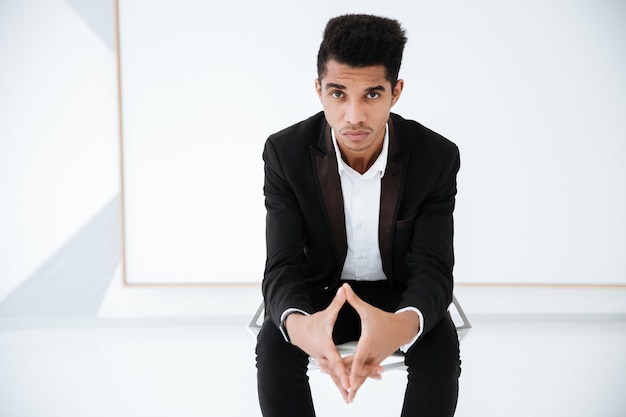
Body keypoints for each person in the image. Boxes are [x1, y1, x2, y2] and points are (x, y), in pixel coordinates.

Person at [255, 14, 461, 417]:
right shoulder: (285, 154)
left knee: (440, 346)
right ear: (318, 90)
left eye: (371, 94)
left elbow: (434, 270)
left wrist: (401, 326)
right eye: (337, 94)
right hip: (319, 294)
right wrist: (301, 327)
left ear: (395, 92)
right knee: (275, 345)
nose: (353, 116)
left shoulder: (436, 157)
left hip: (398, 295)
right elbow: (281, 267)